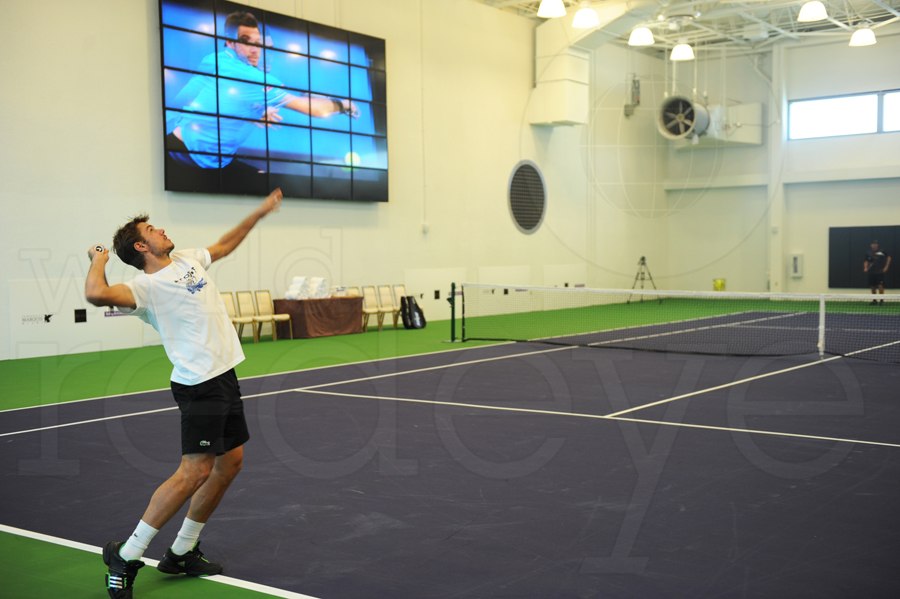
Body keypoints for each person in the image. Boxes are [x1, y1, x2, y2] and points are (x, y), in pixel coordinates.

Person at [85, 188, 283, 598]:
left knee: (230, 465)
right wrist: (99, 258)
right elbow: (95, 294)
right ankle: (127, 553)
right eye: (151, 229)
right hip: (199, 386)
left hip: (225, 375)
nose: (161, 228)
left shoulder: (187, 259)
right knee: (193, 472)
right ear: (142, 246)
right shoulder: (144, 288)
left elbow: (226, 244)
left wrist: (260, 212)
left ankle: (181, 552)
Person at [167, 11, 359, 172]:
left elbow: (189, 100)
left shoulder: (215, 59)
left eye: (258, 43)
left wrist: (246, 114)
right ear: (229, 42)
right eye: (245, 41)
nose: (254, 50)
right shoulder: (254, 78)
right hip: (188, 158)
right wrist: (343, 104)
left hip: (188, 148)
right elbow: (315, 110)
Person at [864, 240, 891, 305]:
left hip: (880, 272)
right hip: (871, 272)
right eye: (873, 244)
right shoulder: (868, 252)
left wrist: (886, 267)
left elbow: (889, 258)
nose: (874, 245)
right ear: (871, 245)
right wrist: (865, 268)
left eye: (875, 244)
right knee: (872, 286)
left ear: (877, 245)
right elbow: (866, 261)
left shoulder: (882, 251)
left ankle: (881, 300)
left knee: (880, 285)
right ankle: (874, 300)